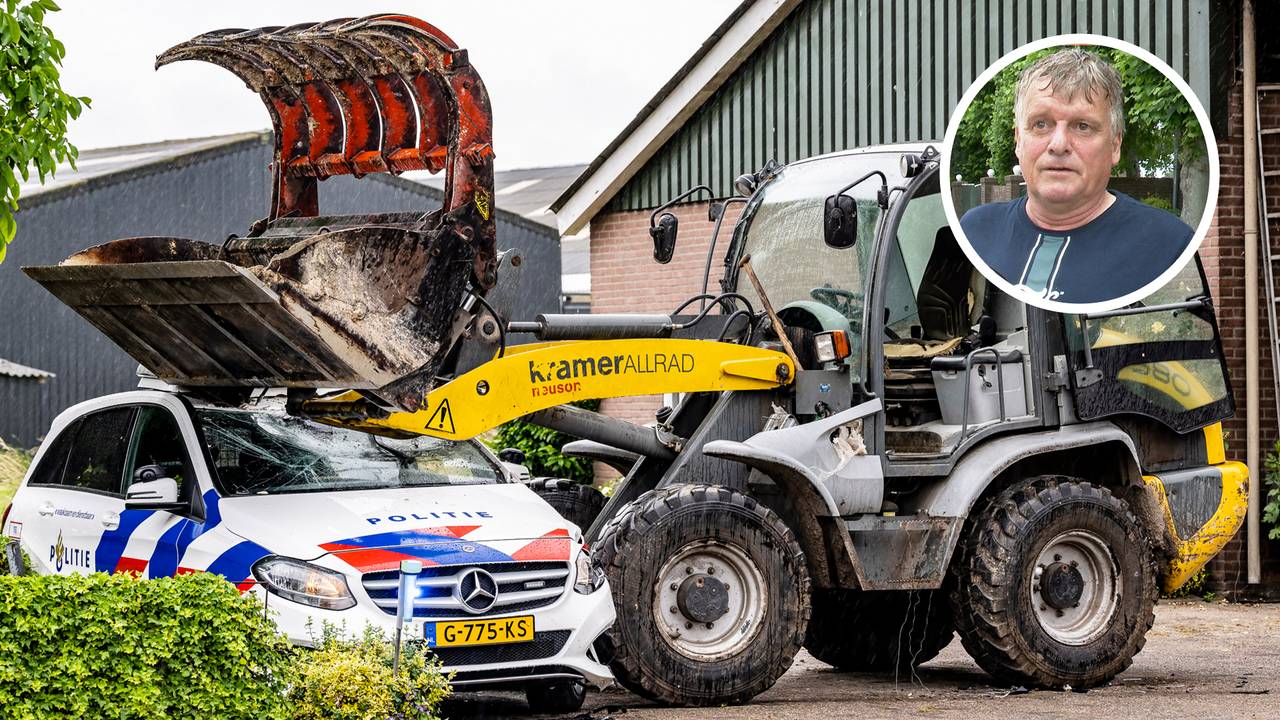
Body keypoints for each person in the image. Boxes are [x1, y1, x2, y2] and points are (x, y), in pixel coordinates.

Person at [960, 49, 1193, 305]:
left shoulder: (1168, 247)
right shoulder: (973, 233)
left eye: (1082, 126)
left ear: (1115, 146)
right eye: (1041, 124)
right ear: (1018, 141)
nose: (1058, 145)